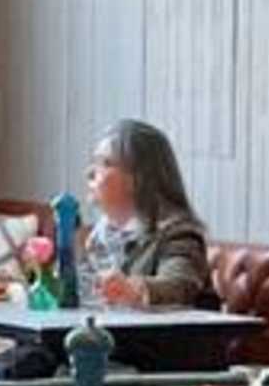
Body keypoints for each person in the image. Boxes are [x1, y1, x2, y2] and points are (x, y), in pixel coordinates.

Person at [84, 116, 217, 311]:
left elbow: (180, 284)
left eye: (105, 163)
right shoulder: (101, 236)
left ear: (137, 178)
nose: (90, 172)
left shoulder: (177, 234)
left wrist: (134, 289)